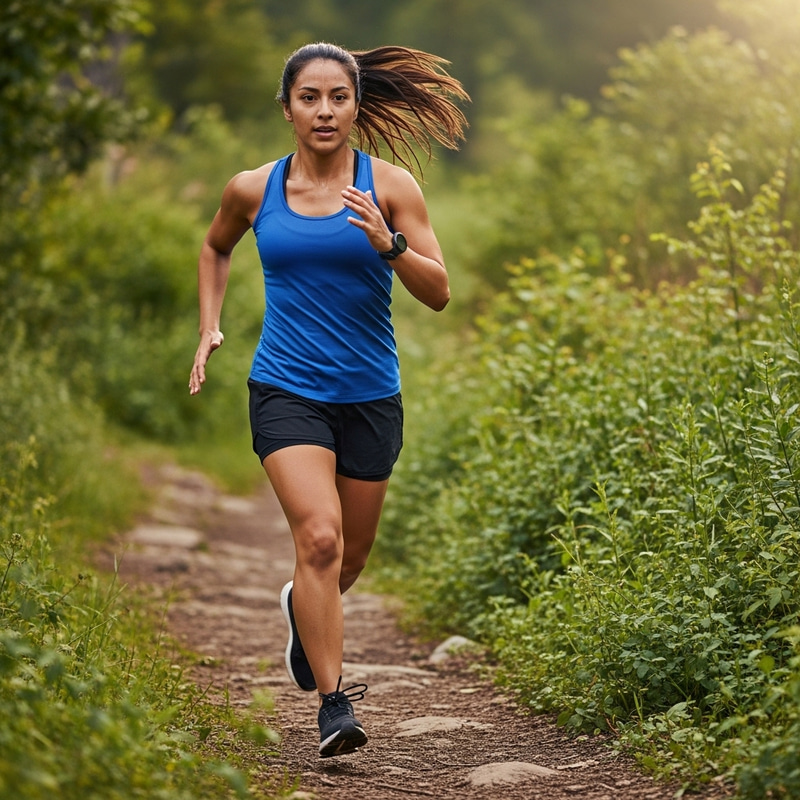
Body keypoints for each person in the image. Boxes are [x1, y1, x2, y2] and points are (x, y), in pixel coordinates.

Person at [188, 42, 468, 758]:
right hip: (285, 387)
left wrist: (391, 244)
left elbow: (438, 293)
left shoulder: (392, 187)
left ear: (356, 105)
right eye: (309, 97)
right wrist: (210, 324)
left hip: (371, 394)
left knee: (349, 556)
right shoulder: (254, 189)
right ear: (288, 108)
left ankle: (300, 607)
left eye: (337, 97)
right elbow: (215, 248)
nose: (324, 110)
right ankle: (333, 705)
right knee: (318, 538)